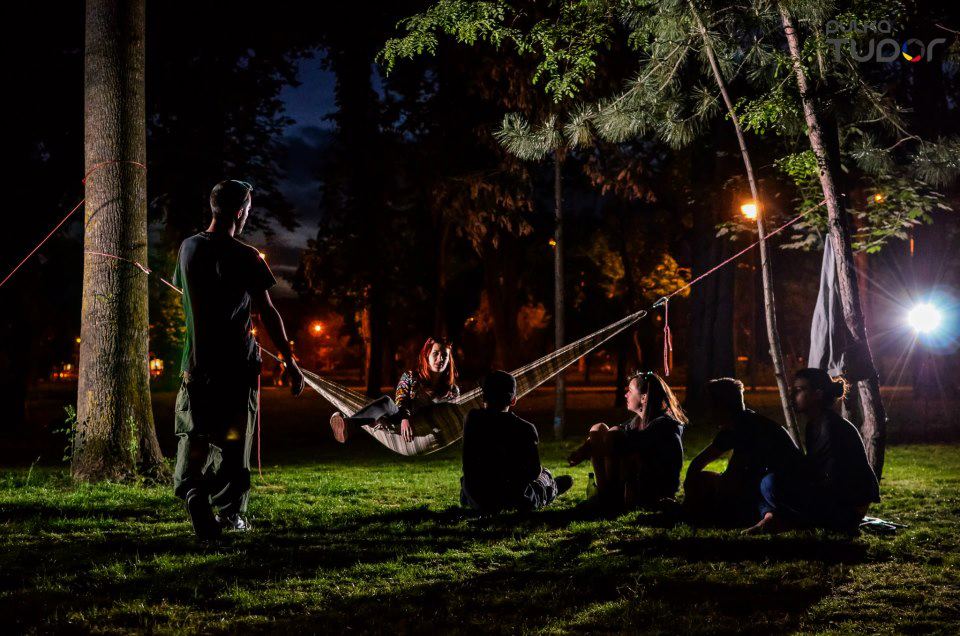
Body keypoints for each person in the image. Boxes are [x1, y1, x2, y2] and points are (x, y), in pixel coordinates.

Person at [172, 179, 305, 541]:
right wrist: (289, 361)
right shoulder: (245, 256)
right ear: (241, 210)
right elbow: (268, 311)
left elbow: (185, 291)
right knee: (234, 441)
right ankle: (232, 513)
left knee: (195, 433)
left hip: (195, 365)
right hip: (235, 369)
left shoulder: (188, 248)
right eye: (248, 207)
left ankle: (194, 492)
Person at [745, 368, 881, 534]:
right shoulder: (813, 425)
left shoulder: (831, 427)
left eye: (800, 390)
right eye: (793, 390)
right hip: (832, 499)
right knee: (762, 477)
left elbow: (834, 481)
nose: (793, 395)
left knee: (771, 483)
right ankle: (772, 519)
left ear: (818, 394)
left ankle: (784, 520)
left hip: (846, 509)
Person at [683, 378, 802, 527]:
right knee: (706, 482)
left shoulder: (749, 428)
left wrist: (705, 490)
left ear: (720, 406)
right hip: (767, 484)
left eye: (708, 405)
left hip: (784, 487)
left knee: (718, 490)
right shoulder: (736, 425)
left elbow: (733, 478)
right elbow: (698, 463)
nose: (706, 411)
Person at [567, 371, 685, 509]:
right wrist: (585, 448)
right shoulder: (637, 421)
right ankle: (605, 494)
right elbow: (610, 437)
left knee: (614, 435)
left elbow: (621, 443)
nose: (625, 395)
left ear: (644, 398)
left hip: (654, 490)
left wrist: (591, 449)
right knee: (598, 428)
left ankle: (609, 498)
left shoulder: (664, 425)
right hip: (636, 483)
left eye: (630, 391)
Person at [460, 370, 573, 512]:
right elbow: (533, 472)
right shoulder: (525, 428)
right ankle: (552, 486)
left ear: (483, 398)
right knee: (543, 476)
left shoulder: (471, 419)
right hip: (510, 499)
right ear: (513, 400)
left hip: (477, 497)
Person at [329, 337, 460, 443]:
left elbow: (452, 416)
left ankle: (347, 420)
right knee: (386, 402)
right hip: (399, 421)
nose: (440, 359)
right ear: (427, 356)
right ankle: (348, 424)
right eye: (435, 354)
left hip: (426, 428)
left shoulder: (452, 390)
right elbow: (401, 400)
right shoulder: (410, 377)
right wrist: (404, 419)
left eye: (444, 355)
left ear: (449, 360)